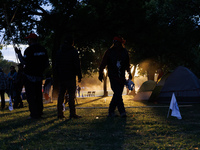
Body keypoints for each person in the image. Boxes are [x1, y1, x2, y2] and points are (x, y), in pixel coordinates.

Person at [15, 33, 49, 119]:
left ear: (31, 40)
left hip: (29, 76)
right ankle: (40, 112)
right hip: (39, 76)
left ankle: (34, 114)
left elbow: (24, 62)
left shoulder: (28, 50)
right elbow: (47, 63)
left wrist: (18, 53)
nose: (27, 41)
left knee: (31, 96)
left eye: (28, 39)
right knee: (38, 95)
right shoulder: (43, 49)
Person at [98, 36, 132, 118]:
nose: (116, 45)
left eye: (118, 43)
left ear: (120, 44)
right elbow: (103, 63)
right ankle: (122, 111)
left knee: (117, 94)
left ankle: (111, 111)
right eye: (115, 43)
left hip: (121, 76)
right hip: (113, 76)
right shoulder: (109, 52)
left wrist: (129, 73)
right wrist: (100, 73)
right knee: (117, 93)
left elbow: (127, 64)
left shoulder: (124, 52)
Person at [56, 34, 82, 119]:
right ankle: (72, 113)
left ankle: (60, 113)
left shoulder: (59, 51)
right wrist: (79, 75)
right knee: (71, 95)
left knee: (61, 95)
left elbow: (56, 65)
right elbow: (77, 64)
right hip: (70, 76)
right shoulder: (73, 51)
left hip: (61, 76)